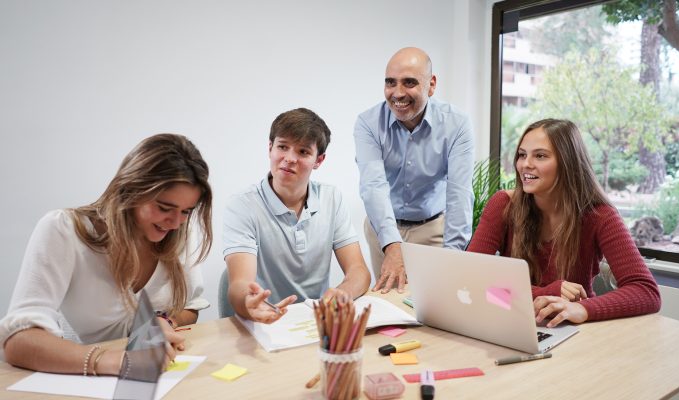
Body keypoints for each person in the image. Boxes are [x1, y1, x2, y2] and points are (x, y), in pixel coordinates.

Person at [0, 133, 213, 376]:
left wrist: (162, 323)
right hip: (82, 378)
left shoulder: (178, 232)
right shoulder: (64, 230)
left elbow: (190, 308)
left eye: (186, 211)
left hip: (157, 376)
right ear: (131, 189)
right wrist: (113, 360)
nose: (175, 223)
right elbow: (17, 341)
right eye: (164, 208)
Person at [467, 119, 661, 327]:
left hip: (572, 331)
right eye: (522, 155)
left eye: (540, 156)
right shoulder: (503, 204)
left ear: (568, 163)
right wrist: (545, 292)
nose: (525, 164)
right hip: (512, 324)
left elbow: (646, 291)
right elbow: (469, 277)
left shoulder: (600, 216)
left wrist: (583, 308)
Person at [223, 108, 371, 324]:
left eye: (303, 152)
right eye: (282, 147)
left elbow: (359, 272)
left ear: (318, 160)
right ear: (270, 148)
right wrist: (248, 303)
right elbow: (238, 284)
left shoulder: (331, 198)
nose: (289, 159)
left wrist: (343, 292)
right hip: (265, 322)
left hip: (316, 322)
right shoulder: (242, 205)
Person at [354, 47, 475, 293]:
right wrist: (391, 245)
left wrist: (452, 257)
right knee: (389, 303)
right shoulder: (367, 123)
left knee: (435, 303)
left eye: (409, 82)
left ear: (431, 85)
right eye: (390, 83)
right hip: (383, 228)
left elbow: (459, 193)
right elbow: (373, 187)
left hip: (432, 230)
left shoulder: (457, 124)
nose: (398, 93)